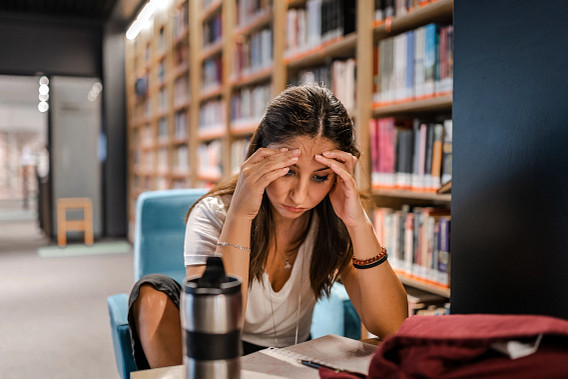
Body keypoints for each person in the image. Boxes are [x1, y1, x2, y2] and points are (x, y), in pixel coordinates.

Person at [128, 83, 408, 369]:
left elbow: (393, 327)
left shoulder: (334, 220)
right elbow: (217, 327)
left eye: (320, 177)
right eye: (288, 171)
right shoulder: (214, 213)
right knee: (151, 291)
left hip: (290, 356)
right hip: (211, 353)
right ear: (259, 156)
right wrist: (240, 215)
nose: (299, 196)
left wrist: (358, 222)